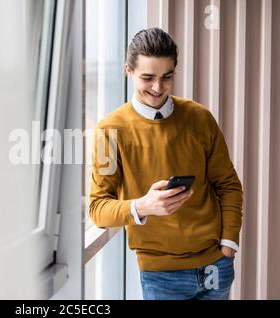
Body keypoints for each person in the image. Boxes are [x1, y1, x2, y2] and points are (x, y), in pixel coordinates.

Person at [89, 27, 243, 300]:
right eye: (147, 78)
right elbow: (98, 208)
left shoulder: (200, 118)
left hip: (216, 267)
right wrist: (143, 205)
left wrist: (228, 245)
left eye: (166, 77)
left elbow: (228, 185)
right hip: (160, 275)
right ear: (129, 70)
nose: (157, 88)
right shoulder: (109, 130)